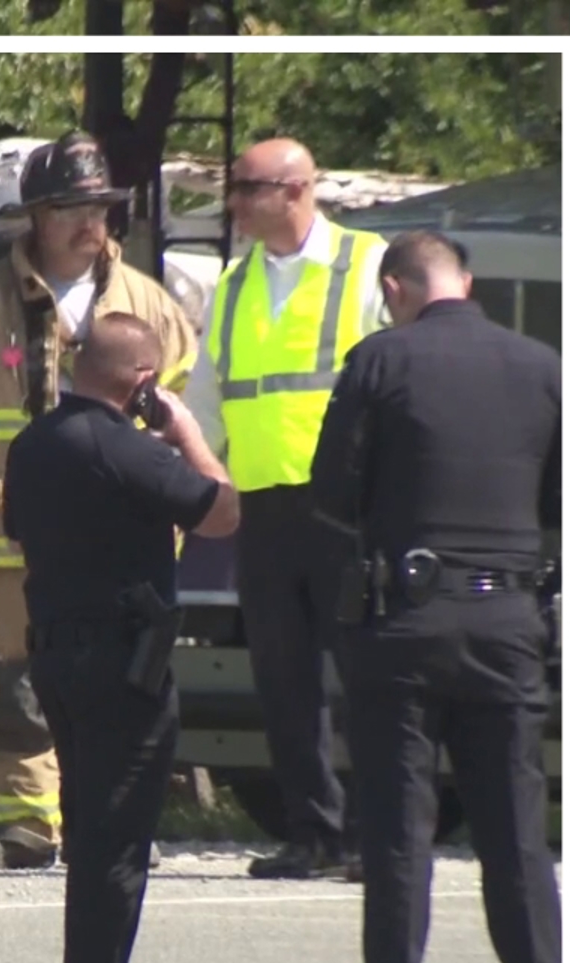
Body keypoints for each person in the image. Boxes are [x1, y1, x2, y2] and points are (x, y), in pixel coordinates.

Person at [312, 232, 566, 963]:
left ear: (397, 287)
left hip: (407, 620)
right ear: (467, 281)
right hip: (510, 621)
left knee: (398, 832)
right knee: (517, 835)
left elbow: (331, 489)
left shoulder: (381, 360)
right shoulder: (540, 365)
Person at [0, 130, 202, 869]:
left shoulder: (149, 302)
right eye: (71, 208)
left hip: (126, 535)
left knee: (123, 676)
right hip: (19, 529)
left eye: (101, 206)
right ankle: (25, 823)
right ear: (35, 216)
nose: (92, 221)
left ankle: (109, 817)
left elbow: (180, 417)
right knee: (21, 670)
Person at [3, 312, 239, 963]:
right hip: (122, 664)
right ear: (144, 383)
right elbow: (222, 513)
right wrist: (187, 434)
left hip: (54, 656)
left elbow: (19, 528)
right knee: (117, 835)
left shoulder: (32, 443)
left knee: (89, 826)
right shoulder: (125, 450)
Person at [185, 137, 389, 881]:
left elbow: (400, 382)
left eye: (247, 187)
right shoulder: (234, 284)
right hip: (264, 508)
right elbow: (208, 395)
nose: (233, 202)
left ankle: (372, 833)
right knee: (284, 678)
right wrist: (200, 482)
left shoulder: (367, 264)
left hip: (351, 509)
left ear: (297, 189)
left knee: (366, 674)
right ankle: (315, 834)